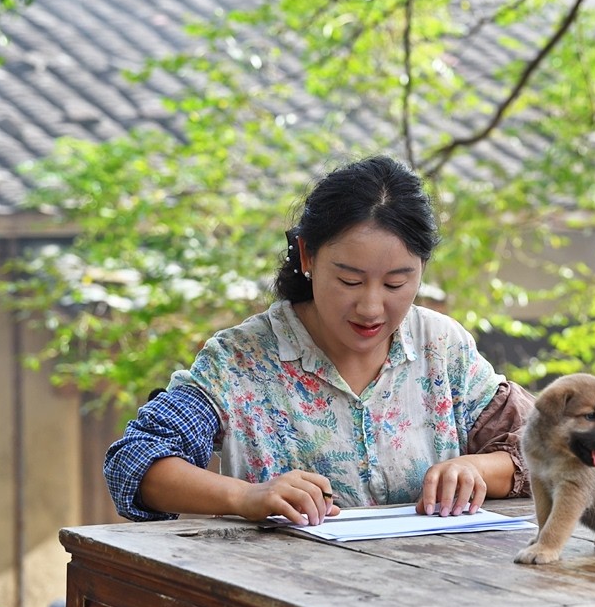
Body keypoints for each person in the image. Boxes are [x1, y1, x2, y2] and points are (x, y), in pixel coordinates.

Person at [104, 155, 533, 525]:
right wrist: (245, 497)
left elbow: (554, 449)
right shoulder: (240, 360)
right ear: (307, 256)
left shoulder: (443, 348)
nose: (370, 307)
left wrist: (472, 469)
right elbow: (133, 463)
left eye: (397, 283)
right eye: (349, 280)